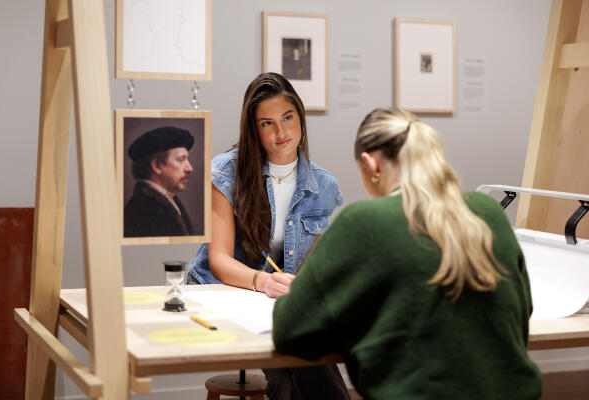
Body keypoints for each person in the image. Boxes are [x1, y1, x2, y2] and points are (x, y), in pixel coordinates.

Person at [272, 108, 543, 399]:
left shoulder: (363, 220)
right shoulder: (489, 210)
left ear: (371, 164)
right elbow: (522, 309)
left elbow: (290, 328)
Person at [187, 72, 350, 399]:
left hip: (280, 303)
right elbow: (219, 261)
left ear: (300, 117)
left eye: (288, 118)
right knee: (294, 356)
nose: (281, 132)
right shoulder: (226, 171)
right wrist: (263, 282)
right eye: (267, 123)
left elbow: (310, 270)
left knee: (306, 352)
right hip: (226, 292)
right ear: (254, 129)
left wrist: (302, 289)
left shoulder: (324, 185)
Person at [124, 126, 195, 237]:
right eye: (181, 159)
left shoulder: (167, 202)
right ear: (157, 165)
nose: (189, 168)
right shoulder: (144, 211)